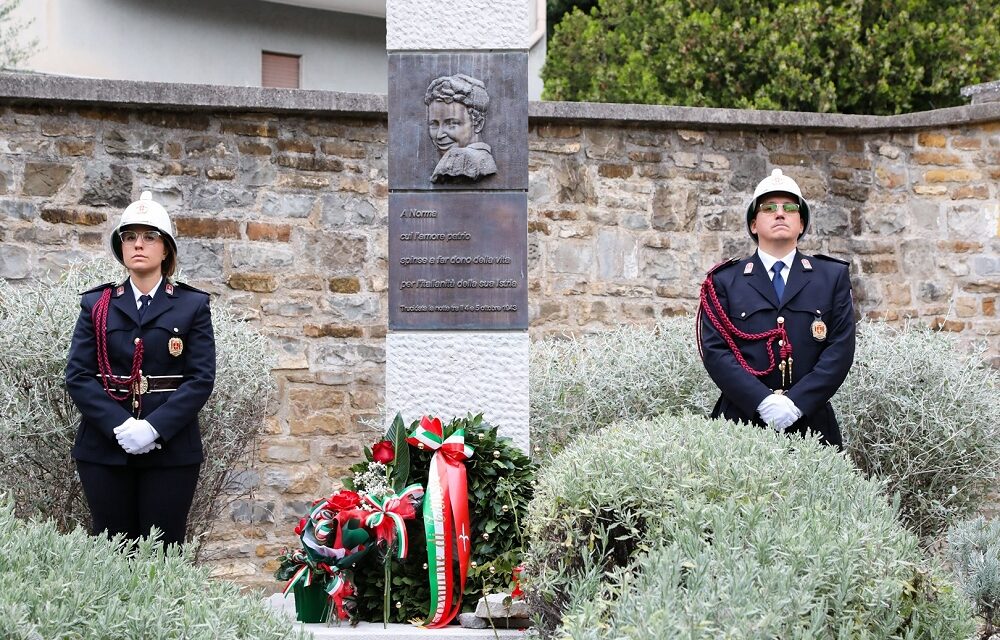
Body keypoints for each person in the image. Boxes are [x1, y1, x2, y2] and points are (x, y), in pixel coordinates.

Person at [66, 191, 216, 546]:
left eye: (150, 237)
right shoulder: (97, 304)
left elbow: (199, 379)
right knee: (112, 556)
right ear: (121, 247)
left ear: (166, 249)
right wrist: (120, 425)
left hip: (171, 450)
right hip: (105, 447)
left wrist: (153, 428)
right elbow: (79, 375)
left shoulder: (192, 305)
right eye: (130, 237)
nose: (138, 244)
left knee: (161, 556)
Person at [697, 169, 855, 447]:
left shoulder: (831, 277)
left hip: (812, 424)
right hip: (741, 422)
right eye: (769, 207)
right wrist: (762, 401)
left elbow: (839, 349)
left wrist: (796, 403)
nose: (779, 213)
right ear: (754, 224)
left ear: (801, 223)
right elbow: (715, 351)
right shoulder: (724, 281)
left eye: (789, 207)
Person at [424, 73, 497, 183]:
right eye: (434, 124)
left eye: (451, 124)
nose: (439, 135)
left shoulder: (460, 159)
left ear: (478, 124)